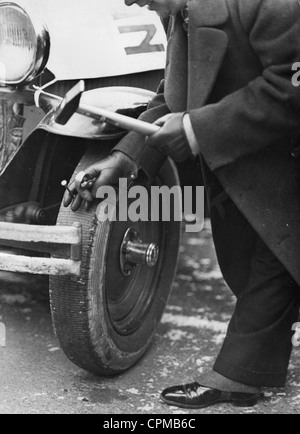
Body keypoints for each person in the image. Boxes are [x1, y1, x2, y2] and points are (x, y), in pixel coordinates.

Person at [64, 0, 300, 410]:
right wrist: (127, 159)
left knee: (277, 252)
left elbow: (290, 85)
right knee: (256, 259)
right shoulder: (184, 10)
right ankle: (248, 369)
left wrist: (195, 129)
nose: (128, 1)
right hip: (261, 157)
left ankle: (238, 376)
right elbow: (178, 95)